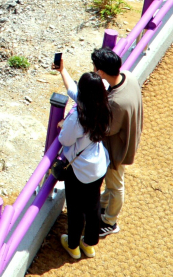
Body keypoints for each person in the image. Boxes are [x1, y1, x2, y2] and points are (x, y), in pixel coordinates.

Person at [55, 65, 111, 260]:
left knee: (76, 210)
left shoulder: (78, 117)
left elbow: (65, 140)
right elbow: (74, 90)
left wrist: (63, 124)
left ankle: (73, 246)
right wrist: (62, 70)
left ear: (84, 93)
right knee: (93, 206)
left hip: (80, 171)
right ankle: (89, 245)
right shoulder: (104, 107)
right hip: (99, 165)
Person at [91, 46, 143, 238]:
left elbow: (105, 129)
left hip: (117, 149)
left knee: (115, 184)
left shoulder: (116, 102)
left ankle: (110, 221)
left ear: (102, 72)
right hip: (129, 137)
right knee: (112, 184)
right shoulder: (128, 76)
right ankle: (104, 206)